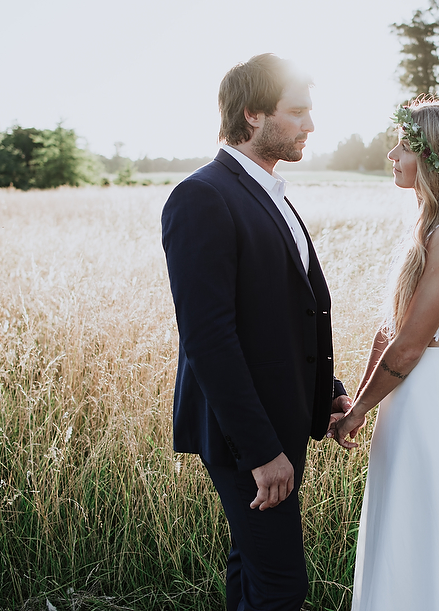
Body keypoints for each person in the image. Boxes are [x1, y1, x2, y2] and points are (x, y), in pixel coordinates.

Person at [161, 53, 350, 611]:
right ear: (252, 115)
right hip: (247, 433)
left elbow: (289, 314)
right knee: (281, 586)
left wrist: (328, 389)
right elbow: (208, 338)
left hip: (281, 418)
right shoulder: (203, 196)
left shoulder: (272, 193)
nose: (310, 126)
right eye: (297, 112)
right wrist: (262, 451)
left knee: (252, 570)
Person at [329, 99, 439, 610]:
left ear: (433, 155)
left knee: (429, 528)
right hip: (406, 399)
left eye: (404, 145)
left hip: (430, 398)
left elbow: (409, 346)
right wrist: (358, 401)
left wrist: (358, 411)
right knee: (400, 525)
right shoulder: (427, 228)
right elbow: (391, 329)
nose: (392, 154)